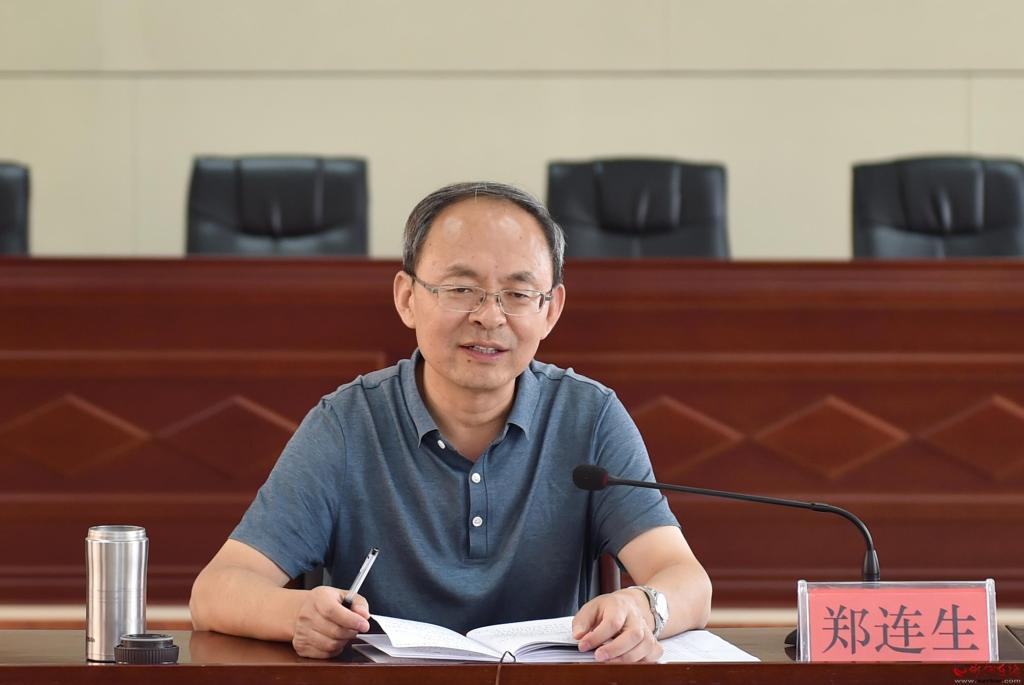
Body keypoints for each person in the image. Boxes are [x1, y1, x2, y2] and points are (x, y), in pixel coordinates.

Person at [189, 182, 712, 663]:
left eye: (517, 293)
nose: (490, 316)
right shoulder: (346, 424)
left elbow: (686, 579)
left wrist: (645, 607)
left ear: (551, 310)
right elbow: (215, 591)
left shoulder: (590, 416)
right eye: (462, 289)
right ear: (406, 298)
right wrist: (297, 614)